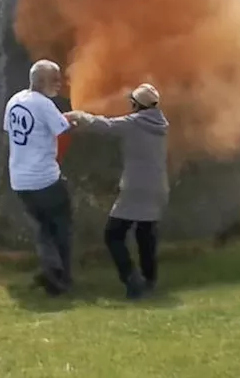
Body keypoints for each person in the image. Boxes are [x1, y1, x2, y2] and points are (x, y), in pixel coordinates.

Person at [66, 83, 170, 300]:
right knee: (146, 235)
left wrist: (80, 116)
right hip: (158, 187)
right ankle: (149, 279)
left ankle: (132, 280)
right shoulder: (161, 124)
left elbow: (105, 125)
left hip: (136, 188)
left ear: (136, 104)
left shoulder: (134, 123)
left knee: (113, 235)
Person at [4, 59, 74, 296]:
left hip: (20, 180)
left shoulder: (15, 100)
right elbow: (63, 133)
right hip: (45, 179)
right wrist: (57, 161)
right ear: (42, 81)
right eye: (55, 79)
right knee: (61, 228)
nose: (59, 84)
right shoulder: (44, 104)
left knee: (43, 230)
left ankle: (50, 271)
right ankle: (61, 278)